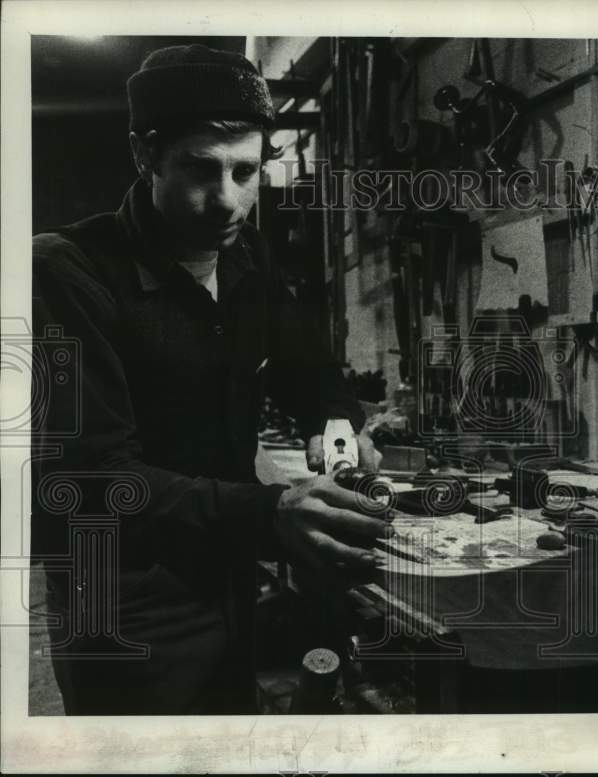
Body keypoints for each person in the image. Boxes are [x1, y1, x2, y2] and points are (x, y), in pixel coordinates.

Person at [31, 44, 388, 714]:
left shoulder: (244, 253)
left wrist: (335, 420)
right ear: (145, 155)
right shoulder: (66, 272)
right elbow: (93, 480)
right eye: (200, 168)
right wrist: (271, 512)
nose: (227, 200)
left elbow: (306, 363)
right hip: (122, 600)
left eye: (245, 171)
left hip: (224, 574)